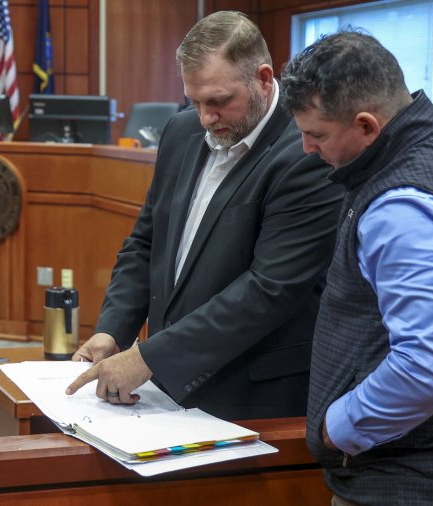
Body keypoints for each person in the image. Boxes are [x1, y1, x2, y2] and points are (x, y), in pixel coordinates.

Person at [279, 30, 433, 505]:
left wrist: (338, 427)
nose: (308, 149)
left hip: (415, 480)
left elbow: (427, 371)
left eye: (317, 134)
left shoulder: (400, 208)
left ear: (368, 125)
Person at [63, 11, 343, 421]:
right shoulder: (180, 132)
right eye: (194, 102)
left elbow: (269, 289)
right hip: (164, 385)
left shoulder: (306, 150)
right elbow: (146, 243)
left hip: (252, 395)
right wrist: (113, 330)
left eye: (219, 101)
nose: (206, 118)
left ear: (264, 79)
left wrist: (151, 356)